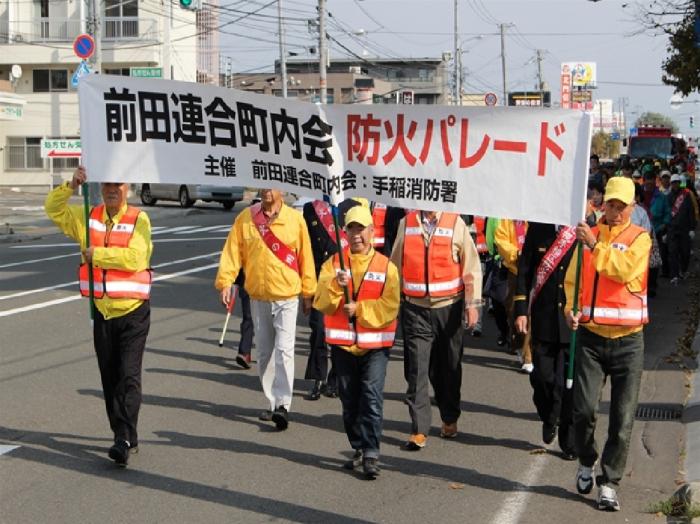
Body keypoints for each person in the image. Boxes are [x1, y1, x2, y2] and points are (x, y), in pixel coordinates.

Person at [45, 166, 152, 467]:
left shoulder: (138, 219)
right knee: (110, 378)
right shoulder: (88, 217)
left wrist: (98, 255)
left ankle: (124, 439)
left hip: (133, 312)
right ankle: (122, 432)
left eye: (117, 183)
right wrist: (72, 185)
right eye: (106, 184)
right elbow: (52, 210)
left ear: (127, 187)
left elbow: (136, 258)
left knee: (129, 375)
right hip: (102, 313)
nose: (111, 189)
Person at [566, 176, 651, 512]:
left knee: (622, 418)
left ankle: (610, 482)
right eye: (610, 204)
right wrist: (569, 310)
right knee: (583, 409)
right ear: (602, 204)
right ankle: (586, 460)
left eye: (621, 206)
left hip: (629, 341)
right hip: (590, 338)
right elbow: (573, 281)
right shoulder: (589, 235)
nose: (614, 211)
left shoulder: (640, 239)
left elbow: (625, 270)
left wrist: (593, 246)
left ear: (632, 207)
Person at [215, 189, 316, 430]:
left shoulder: (294, 219)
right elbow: (232, 253)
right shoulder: (246, 218)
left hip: (287, 295)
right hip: (258, 296)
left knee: (285, 350)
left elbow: (306, 257)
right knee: (264, 353)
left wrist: (308, 292)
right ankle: (272, 402)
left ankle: (283, 405)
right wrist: (225, 281)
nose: (268, 189)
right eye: (264, 184)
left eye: (273, 185)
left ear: (281, 189)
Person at [313, 205, 400, 479]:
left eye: (361, 229)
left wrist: (360, 309)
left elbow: (390, 306)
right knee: (349, 401)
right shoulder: (333, 264)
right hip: (342, 346)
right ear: (345, 232)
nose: (356, 235)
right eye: (351, 228)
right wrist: (335, 287)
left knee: (371, 398)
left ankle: (372, 453)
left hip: (375, 346)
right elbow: (322, 304)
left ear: (372, 232)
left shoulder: (387, 267)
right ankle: (359, 446)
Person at [391, 209, 481, 450]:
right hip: (415, 309)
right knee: (417, 369)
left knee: (448, 367)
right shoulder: (406, 223)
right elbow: (395, 266)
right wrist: (391, 304)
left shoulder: (456, 222)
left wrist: (472, 305)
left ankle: (449, 416)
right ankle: (419, 429)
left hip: (448, 309)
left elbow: (471, 268)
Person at [514, 222, 577, 460]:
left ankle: (568, 440)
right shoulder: (539, 229)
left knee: (569, 385)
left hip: (571, 321)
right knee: (542, 378)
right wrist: (520, 309)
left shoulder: (582, 231)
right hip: (544, 318)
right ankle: (549, 415)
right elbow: (525, 270)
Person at [301, 197, 360, 400]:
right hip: (320, 279)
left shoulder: (352, 206)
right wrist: (306, 290)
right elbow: (306, 248)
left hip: (344, 279)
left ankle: (335, 379)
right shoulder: (310, 208)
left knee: (339, 330)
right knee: (318, 329)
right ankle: (318, 378)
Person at [495, 219, 534, 373]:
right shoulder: (508, 220)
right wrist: (517, 254)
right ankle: (517, 342)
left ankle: (528, 356)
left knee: (530, 313)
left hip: (536, 273)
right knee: (513, 311)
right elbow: (501, 240)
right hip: (515, 271)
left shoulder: (537, 217)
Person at [667, 173, 696, 284]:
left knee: (685, 253)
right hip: (672, 229)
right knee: (673, 253)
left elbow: (691, 212)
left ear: (680, 183)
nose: (675, 185)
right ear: (671, 184)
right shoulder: (668, 197)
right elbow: (666, 213)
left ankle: (682, 270)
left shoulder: (686, 195)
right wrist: (666, 231)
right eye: (673, 183)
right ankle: (674, 275)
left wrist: (692, 228)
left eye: (677, 182)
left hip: (685, 229)